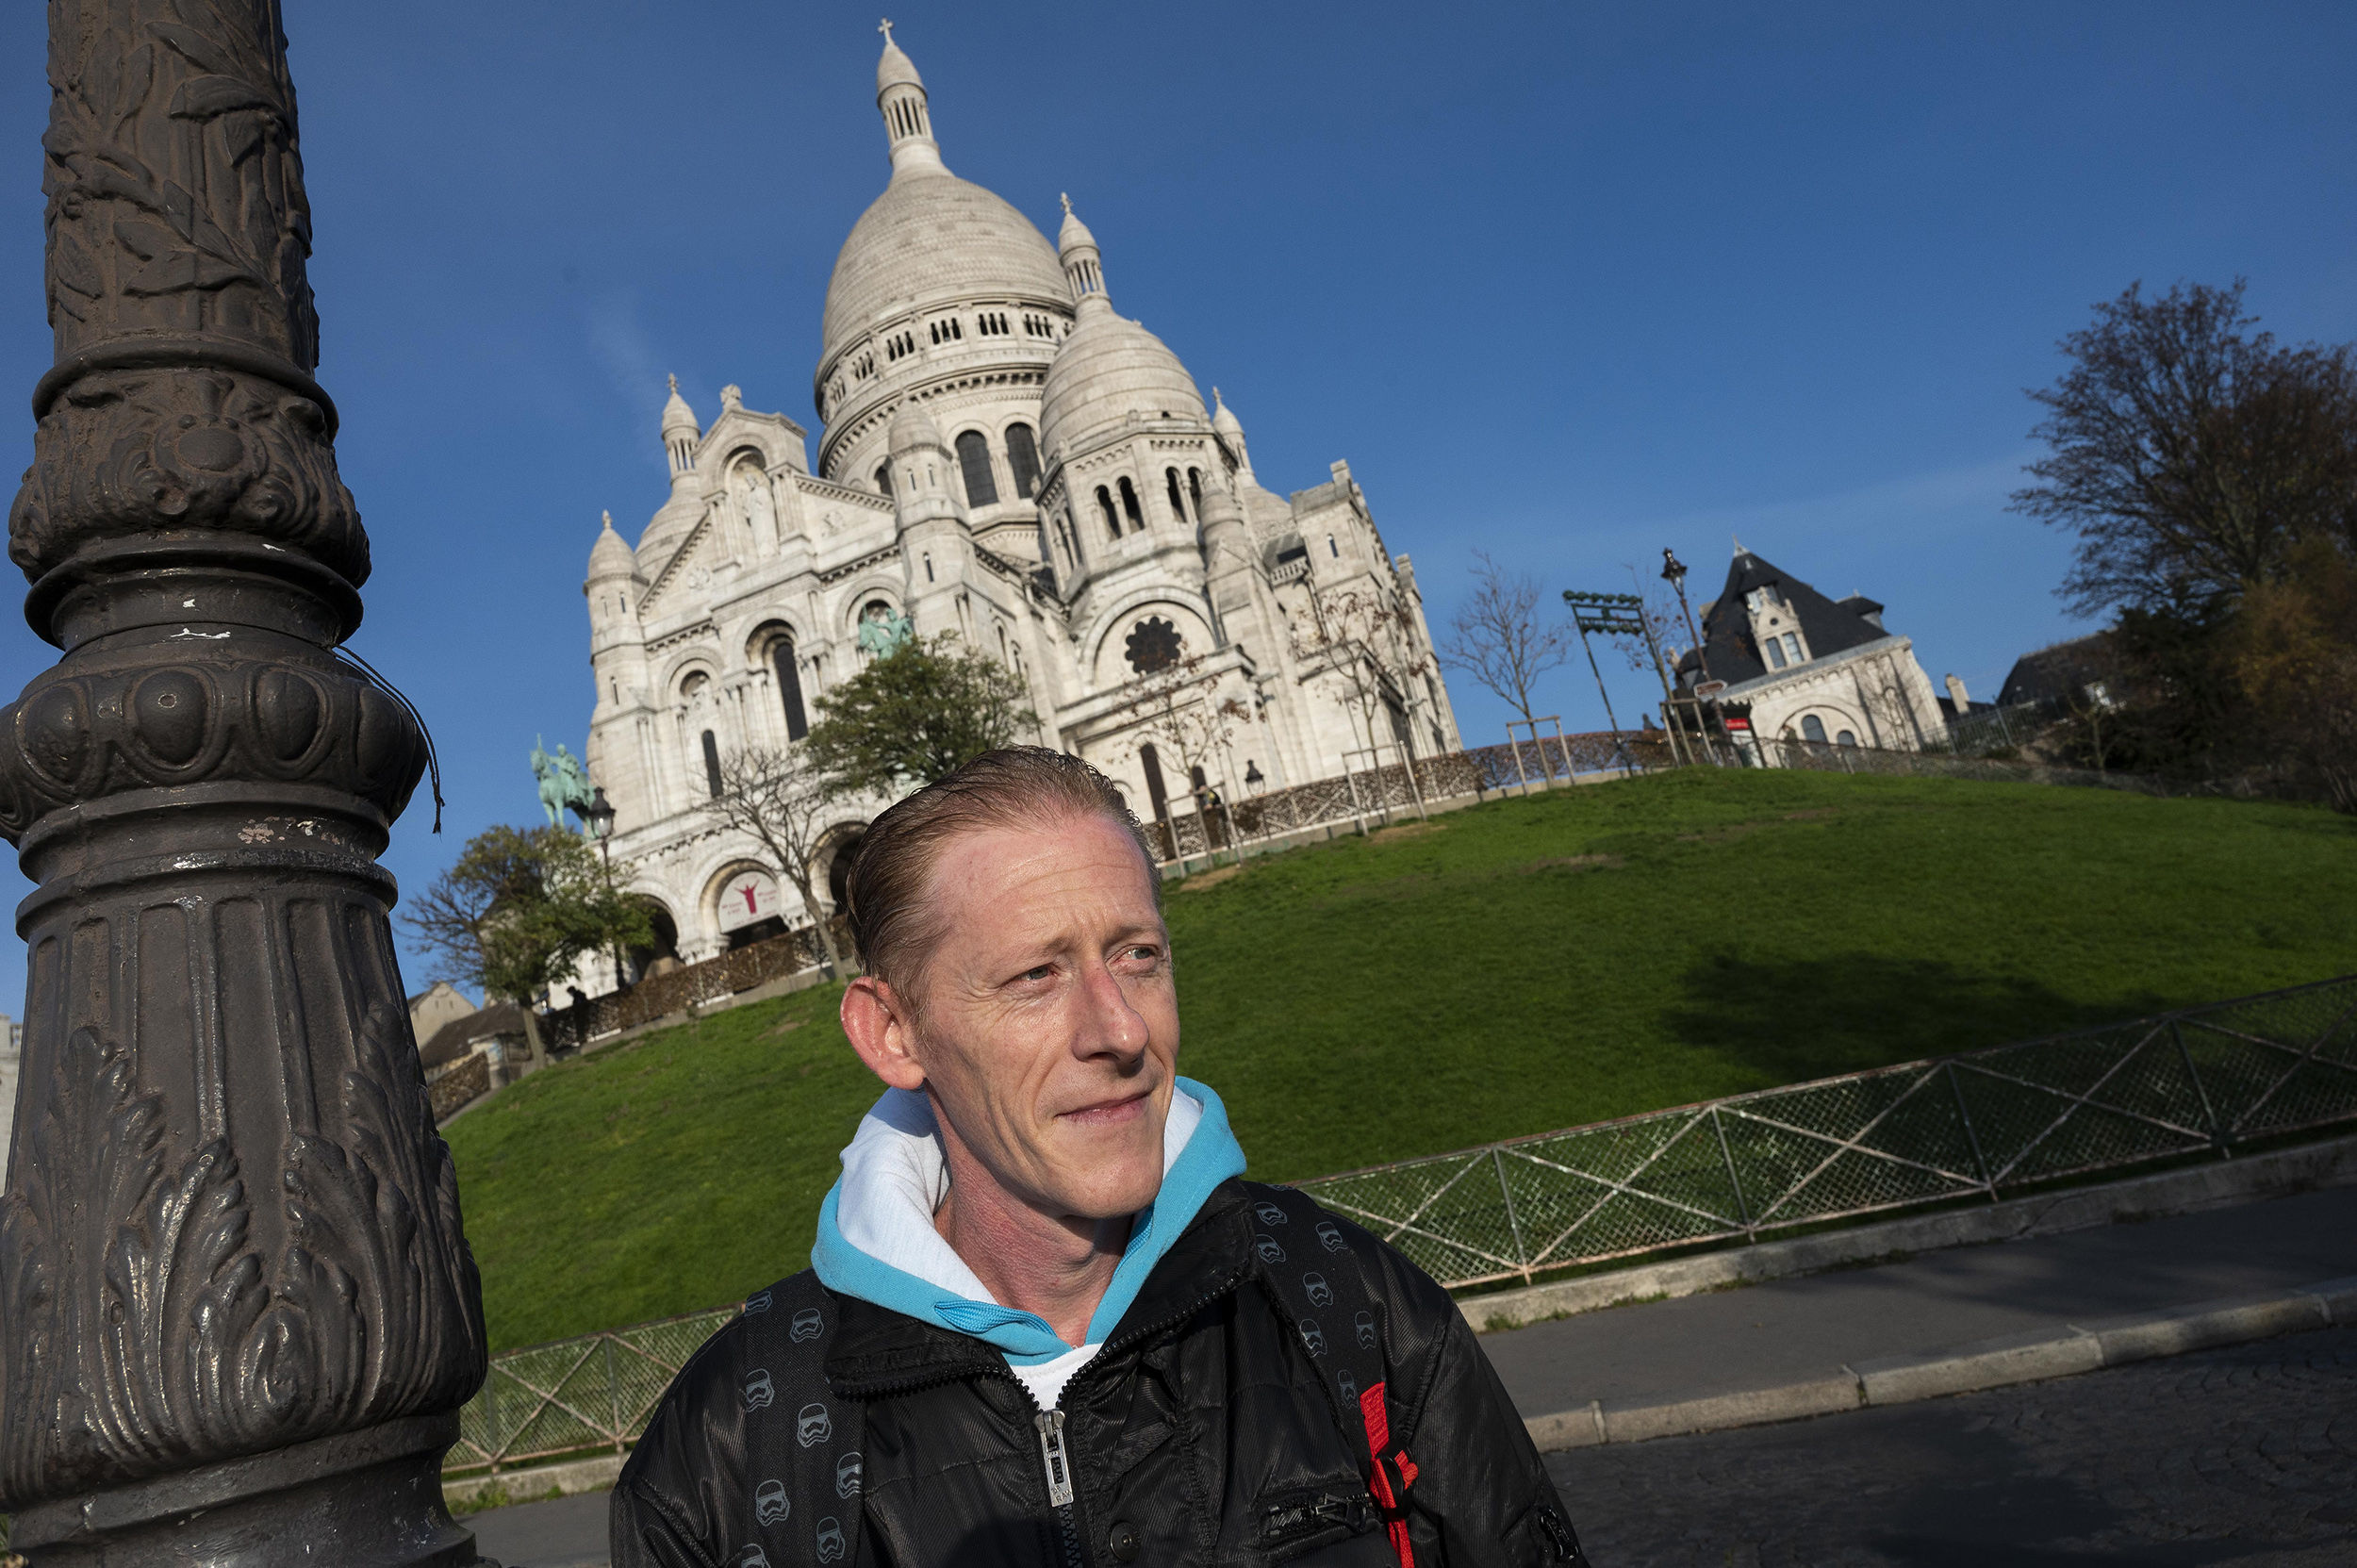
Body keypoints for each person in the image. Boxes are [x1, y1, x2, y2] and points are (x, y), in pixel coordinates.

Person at [613, 748, 1585, 1567]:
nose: (1120, 1030)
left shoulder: (1350, 1302)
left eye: (1137, 956)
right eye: (1035, 975)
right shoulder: (732, 1444)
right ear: (893, 1033)